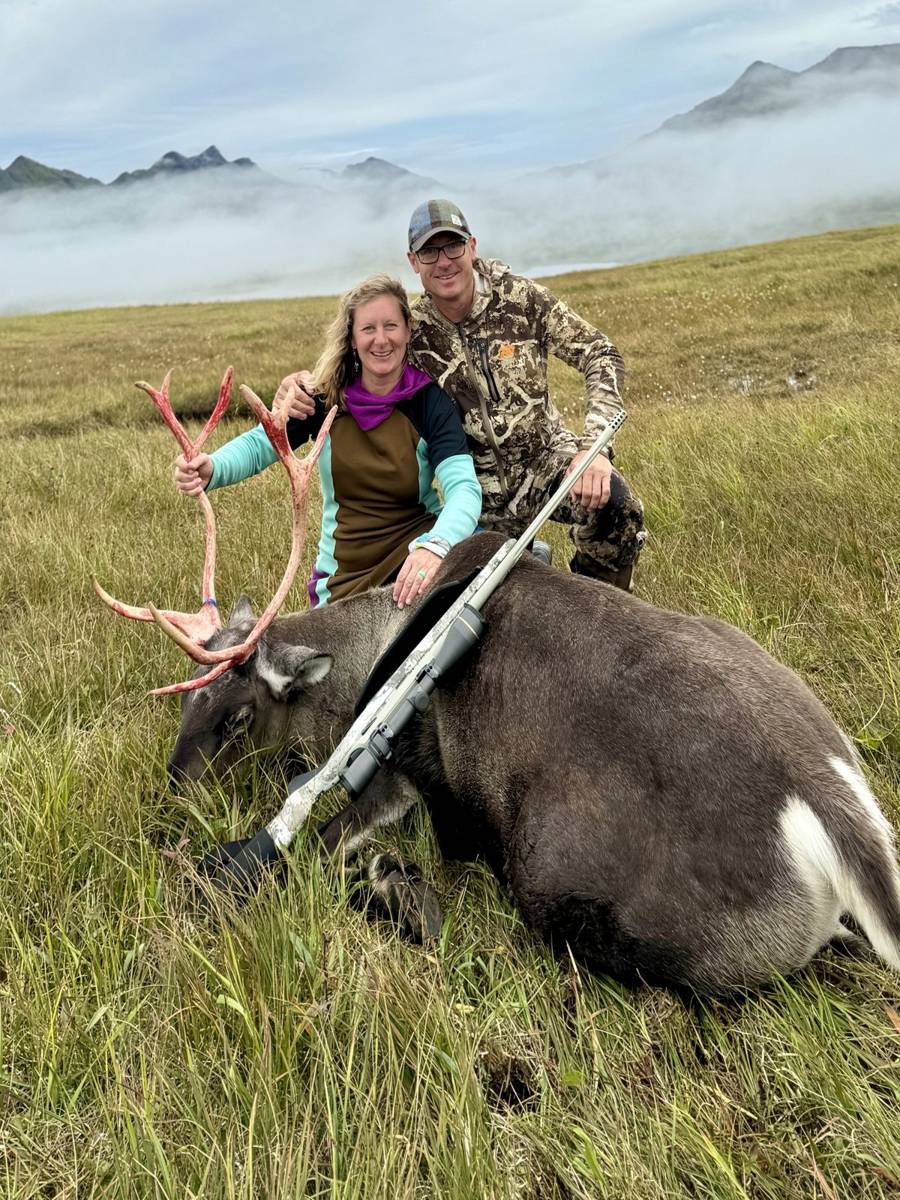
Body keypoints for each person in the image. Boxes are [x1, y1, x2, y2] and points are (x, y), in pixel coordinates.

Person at [280, 199, 645, 590]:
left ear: (471, 247)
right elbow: (353, 368)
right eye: (429, 251)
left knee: (616, 508)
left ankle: (595, 607)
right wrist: (297, 387)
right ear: (413, 261)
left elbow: (599, 353)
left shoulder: (522, 301)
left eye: (453, 246)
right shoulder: (410, 331)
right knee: (478, 612)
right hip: (471, 492)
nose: (444, 261)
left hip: (545, 466)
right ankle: (526, 558)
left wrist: (594, 451)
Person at [174, 275, 481, 609]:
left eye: (391, 325)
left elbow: (463, 488)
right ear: (351, 337)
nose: (381, 340)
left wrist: (435, 545)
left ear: (408, 330)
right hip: (343, 576)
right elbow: (261, 445)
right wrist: (212, 468)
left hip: (413, 560)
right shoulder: (322, 399)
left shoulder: (429, 402)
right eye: (368, 329)